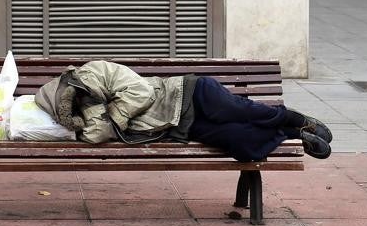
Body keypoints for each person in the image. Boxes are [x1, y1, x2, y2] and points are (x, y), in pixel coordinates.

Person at [35, 60, 334, 160]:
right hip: (179, 128)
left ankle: (295, 119)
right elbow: (95, 137)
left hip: (188, 94)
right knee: (243, 145)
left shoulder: (95, 72)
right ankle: (291, 135)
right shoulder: (83, 120)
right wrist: (106, 119)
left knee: (241, 111)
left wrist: (112, 117)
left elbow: (139, 92)